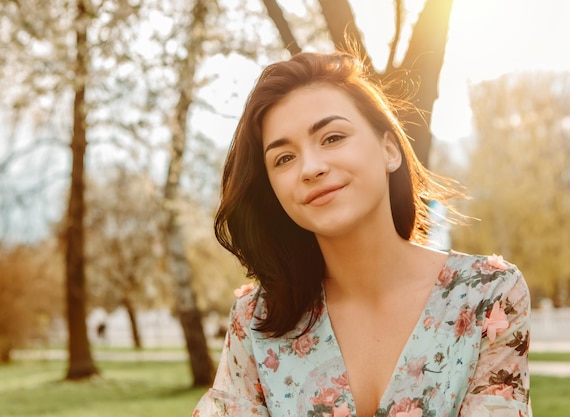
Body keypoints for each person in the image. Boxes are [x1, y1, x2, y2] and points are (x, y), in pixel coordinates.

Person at [192, 51, 531, 417]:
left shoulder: (488, 295)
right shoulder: (257, 318)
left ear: (389, 150)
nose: (311, 168)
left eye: (332, 137)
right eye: (284, 159)